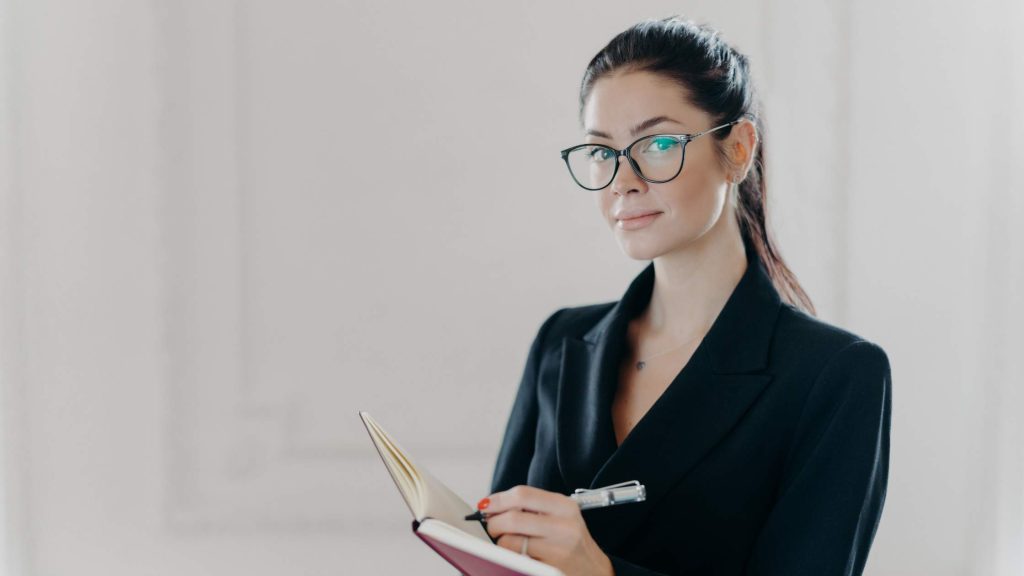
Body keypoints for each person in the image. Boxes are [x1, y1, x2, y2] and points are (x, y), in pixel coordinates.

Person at [472, 15, 892, 576]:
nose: (623, 179)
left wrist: (601, 572)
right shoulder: (561, 342)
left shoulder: (834, 374)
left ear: (738, 149)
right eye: (602, 151)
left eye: (658, 143)